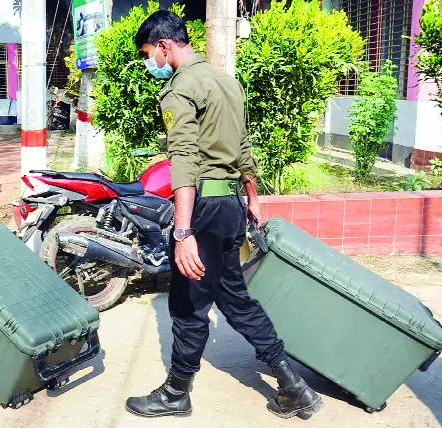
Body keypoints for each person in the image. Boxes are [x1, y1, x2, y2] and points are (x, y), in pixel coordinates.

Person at [125, 11, 324, 420]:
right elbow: (244, 146)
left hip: (204, 209)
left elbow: (183, 160)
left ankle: (177, 393)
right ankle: (293, 386)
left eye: (149, 54)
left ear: (164, 46)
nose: (151, 63)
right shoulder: (226, 82)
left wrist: (183, 232)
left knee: (187, 304)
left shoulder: (179, 90)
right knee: (232, 296)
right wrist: (252, 197)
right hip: (231, 205)